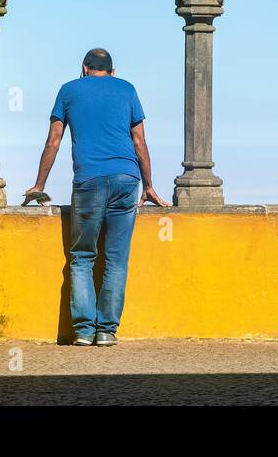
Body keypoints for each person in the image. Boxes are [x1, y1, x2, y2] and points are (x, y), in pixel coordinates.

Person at [23, 48, 169, 346]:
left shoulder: (68, 90)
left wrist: (39, 184)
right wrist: (149, 185)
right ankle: (107, 332)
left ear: (84, 68)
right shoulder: (127, 89)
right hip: (127, 180)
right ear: (112, 71)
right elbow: (139, 140)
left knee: (82, 256)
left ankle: (85, 331)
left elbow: (54, 140)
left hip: (89, 180)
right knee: (116, 259)